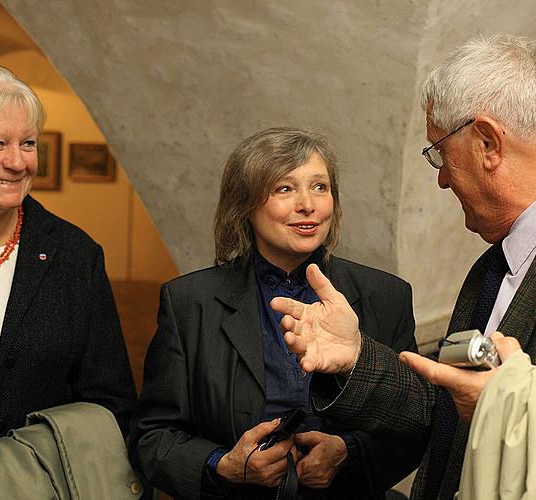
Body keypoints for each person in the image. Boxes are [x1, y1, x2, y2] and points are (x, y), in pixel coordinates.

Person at [270, 33, 536, 499]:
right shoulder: (493, 265)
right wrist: (355, 357)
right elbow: (445, 410)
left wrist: (513, 406)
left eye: (440, 152)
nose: (441, 178)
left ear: (488, 142)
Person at [130, 127, 421, 499]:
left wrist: (349, 451)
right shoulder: (188, 302)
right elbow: (153, 439)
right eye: (285, 189)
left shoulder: (386, 296)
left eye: (320, 187)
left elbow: (413, 425)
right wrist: (223, 465)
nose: (308, 205)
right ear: (245, 205)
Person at [0, 64, 136, 497]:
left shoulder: (75, 256)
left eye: (27, 143)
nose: (17, 162)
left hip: (38, 486)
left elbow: (111, 405)